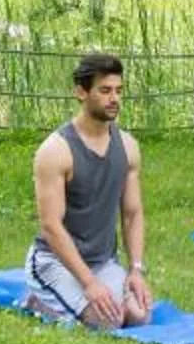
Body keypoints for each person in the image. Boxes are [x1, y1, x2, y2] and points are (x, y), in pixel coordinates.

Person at [25, 49, 156, 328]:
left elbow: (132, 214)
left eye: (119, 91)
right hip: (54, 263)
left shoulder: (128, 146)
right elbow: (51, 226)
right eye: (105, 91)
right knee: (107, 322)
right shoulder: (55, 151)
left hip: (102, 261)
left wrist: (135, 270)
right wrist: (89, 283)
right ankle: (38, 302)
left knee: (140, 316)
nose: (114, 99)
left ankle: (87, 295)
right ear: (81, 93)